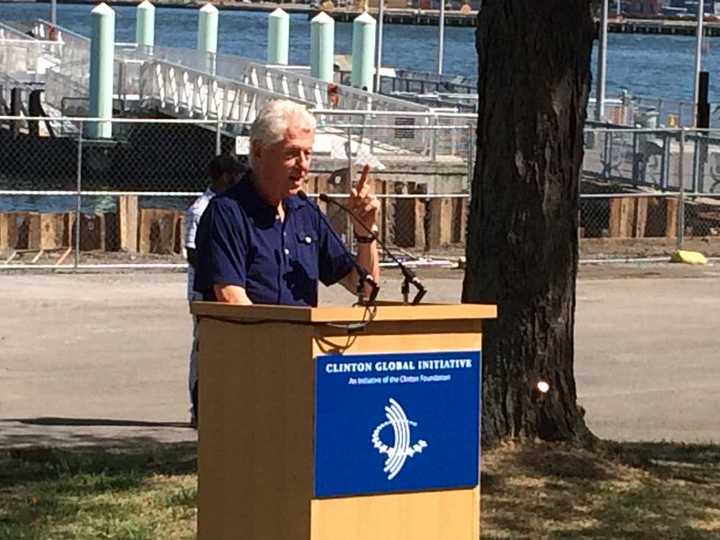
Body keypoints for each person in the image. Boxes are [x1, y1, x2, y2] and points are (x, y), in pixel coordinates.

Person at [193, 99, 380, 308]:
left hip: (302, 340)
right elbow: (230, 297)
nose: (303, 165)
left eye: (307, 153)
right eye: (291, 153)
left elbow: (363, 286)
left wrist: (366, 233)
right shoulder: (227, 212)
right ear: (258, 152)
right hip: (250, 339)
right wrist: (283, 337)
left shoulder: (306, 211)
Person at [185, 154, 244, 427]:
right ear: (223, 177)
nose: (239, 179)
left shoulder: (232, 207)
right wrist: (221, 267)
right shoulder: (201, 208)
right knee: (203, 352)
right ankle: (198, 409)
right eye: (234, 174)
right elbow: (192, 253)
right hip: (202, 293)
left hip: (226, 290)